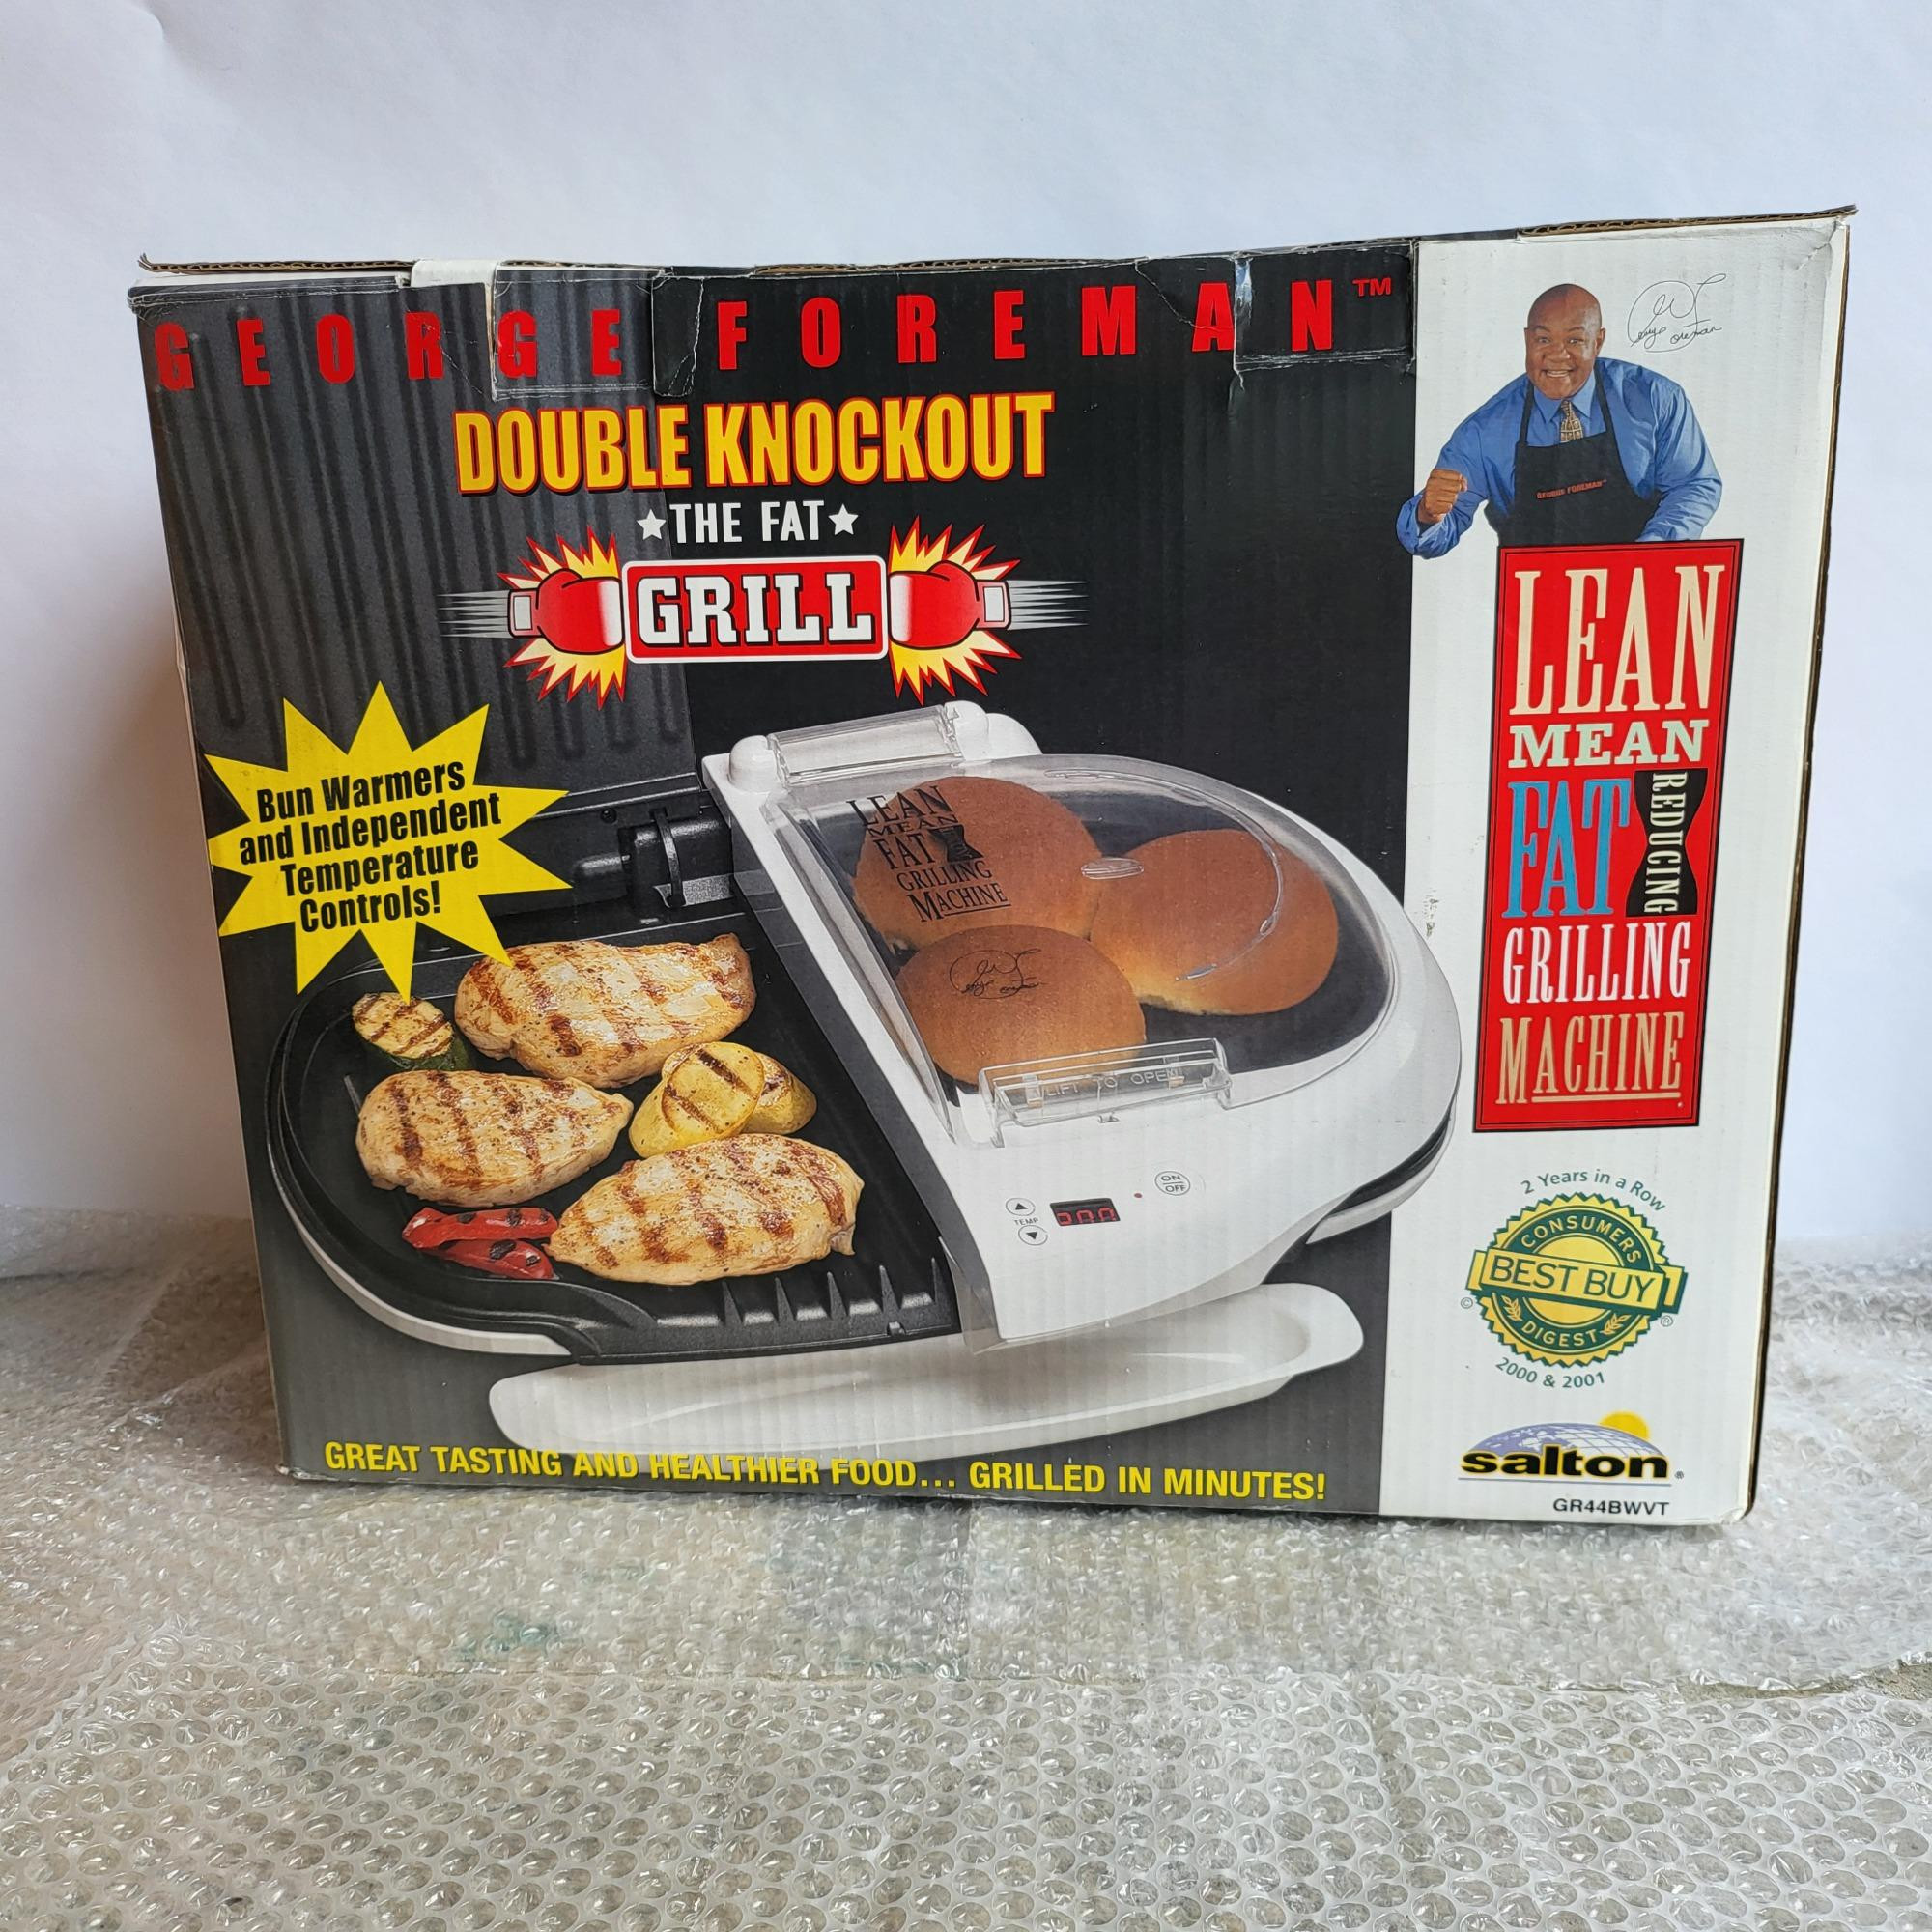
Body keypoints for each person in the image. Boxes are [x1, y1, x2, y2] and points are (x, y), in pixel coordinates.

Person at [1396, 284, 1720, 554]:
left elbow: (1693, 485)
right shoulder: (1485, 430)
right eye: (1544, 340)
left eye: (1574, 340)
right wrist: (1428, 514)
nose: (1557, 355)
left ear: (1598, 341)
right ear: (1527, 339)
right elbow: (1432, 537)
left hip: (1642, 588)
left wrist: (1646, 557)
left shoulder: (1653, 398)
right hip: (1539, 599)